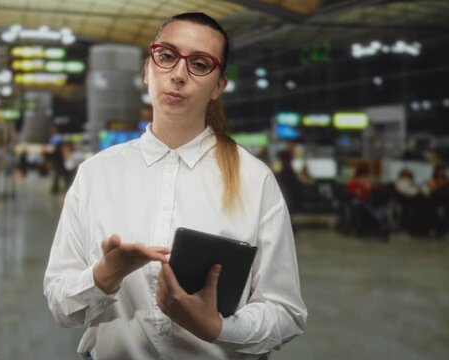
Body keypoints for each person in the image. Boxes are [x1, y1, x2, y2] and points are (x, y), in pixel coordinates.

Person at [44, 12, 307, 360]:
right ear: (147, 70)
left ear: (218, 86)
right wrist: (103, 276)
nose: (179, 74)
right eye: (166, 56)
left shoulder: (254, 180)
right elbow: (60, 303)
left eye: (200, 64)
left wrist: (218, 327)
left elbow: (285, 311)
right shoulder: (96, 174)